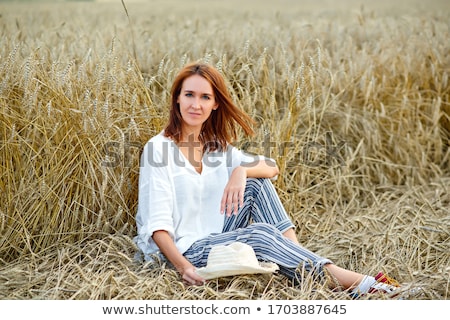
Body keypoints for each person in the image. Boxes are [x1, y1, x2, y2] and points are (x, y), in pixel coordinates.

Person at [134, 62, 400, 298]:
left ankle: (297, 258)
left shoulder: (217, 147)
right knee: (260, 235)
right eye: (189, 94)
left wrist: (241, 172)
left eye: (205, 97)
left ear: (215, 104)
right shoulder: (158, 150)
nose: (196, 104)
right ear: (177, 99)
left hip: (218, 235)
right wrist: (184, 268)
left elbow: (271, 167)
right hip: (186, 250)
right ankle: (362, 284)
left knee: (256, 181)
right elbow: (157, 226)